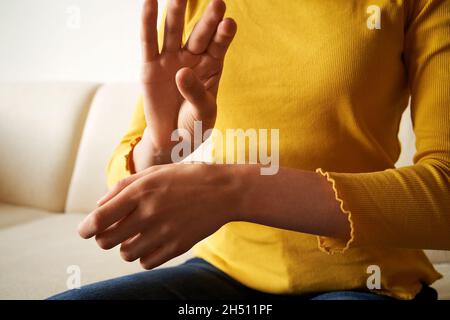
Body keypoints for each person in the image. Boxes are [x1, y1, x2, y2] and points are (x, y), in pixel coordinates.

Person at [49, 0, 449, 300]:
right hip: (221, 272)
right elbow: (125, 179)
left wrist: (236, 191)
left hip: (365, 281)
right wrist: (163, 144)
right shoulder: (194, 6)